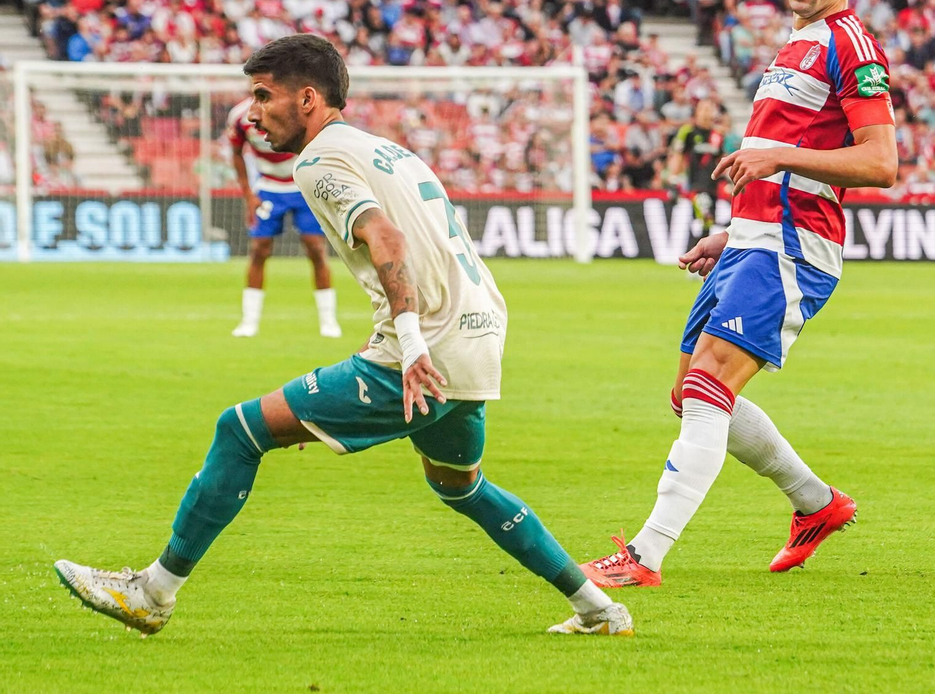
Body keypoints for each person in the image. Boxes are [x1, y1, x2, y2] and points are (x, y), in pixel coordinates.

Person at [55, 35, 632, 638]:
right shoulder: (387, 150)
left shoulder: (318, 160)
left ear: (307, 98)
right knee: (459, 484)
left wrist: (408, 346)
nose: (252, 112)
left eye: (263, 95)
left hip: (423, 351)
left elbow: (388, 242)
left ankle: (152, 593)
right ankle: (600, 609)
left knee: (240, 430)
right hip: (478, 333)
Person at [578, 0, 897, 587]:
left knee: (707, 387)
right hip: (753, 238)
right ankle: (815, 504)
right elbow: (794, 158)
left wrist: (773, 160)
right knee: (689, 394)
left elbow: (880, 163)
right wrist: (733, 231)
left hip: (792, 245)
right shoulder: (796, 43)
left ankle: (644, 555)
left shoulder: (852, 46)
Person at [226, 94, 341, 339]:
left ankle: (328, 321)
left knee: (315, 248)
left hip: (303, 184)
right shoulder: (240, 116)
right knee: (259, 249)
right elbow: (236, 152)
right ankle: (249, 321)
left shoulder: (295, 107)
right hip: (268, 186)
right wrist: (248, 195)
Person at [668, 98, 726, 234]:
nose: (707, 113)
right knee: (704, 218)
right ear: (697, 112)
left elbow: (721, 160)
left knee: (707, 226)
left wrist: (728, 180)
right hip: (695, 185)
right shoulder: (688, 131)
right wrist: (673, 179)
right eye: (704, 109)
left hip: (713, 186)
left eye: (710, 109)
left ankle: (701, 252)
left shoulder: (717, 135)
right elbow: (678, 156)